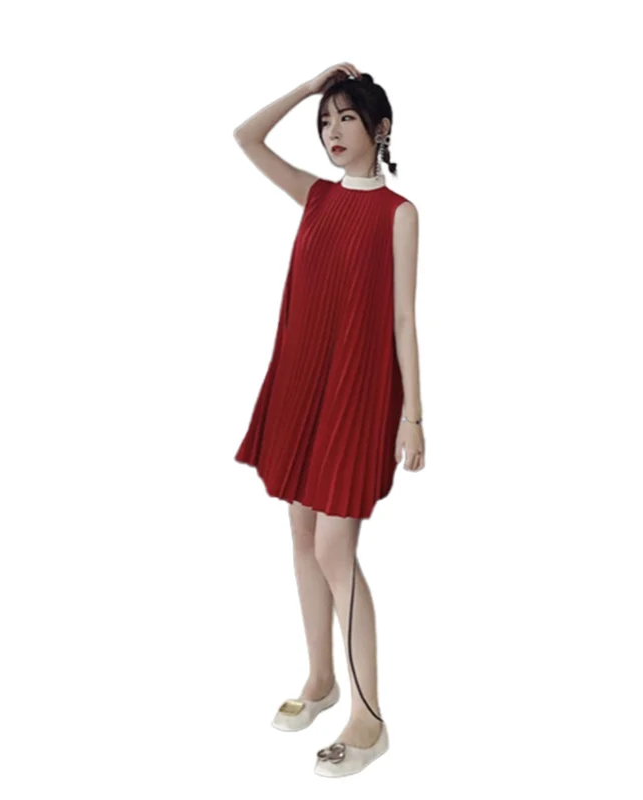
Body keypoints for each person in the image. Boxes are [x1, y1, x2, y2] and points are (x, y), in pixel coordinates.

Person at [233, 63, 425, 777]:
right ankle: (320, 680)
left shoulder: (399, 213)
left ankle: (369, 720)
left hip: (356, 392)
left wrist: (414, 417)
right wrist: (308, 87)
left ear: (380, 128)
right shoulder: (315, 196)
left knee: (334, 549)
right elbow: (246, 137)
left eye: (346, 117)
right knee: (302, 533)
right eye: (326, 120)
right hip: (300, 383)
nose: (332, 131)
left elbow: (403, 318)